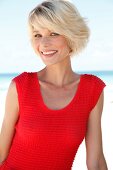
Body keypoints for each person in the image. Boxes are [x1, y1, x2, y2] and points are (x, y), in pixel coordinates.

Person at [0, 0, 108, 169]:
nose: (43, 44)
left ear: (71, 35)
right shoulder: (21, 86)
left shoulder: (92, 89)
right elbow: (1, 154)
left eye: (53, 33)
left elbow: (96, 161)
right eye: (37, 35)